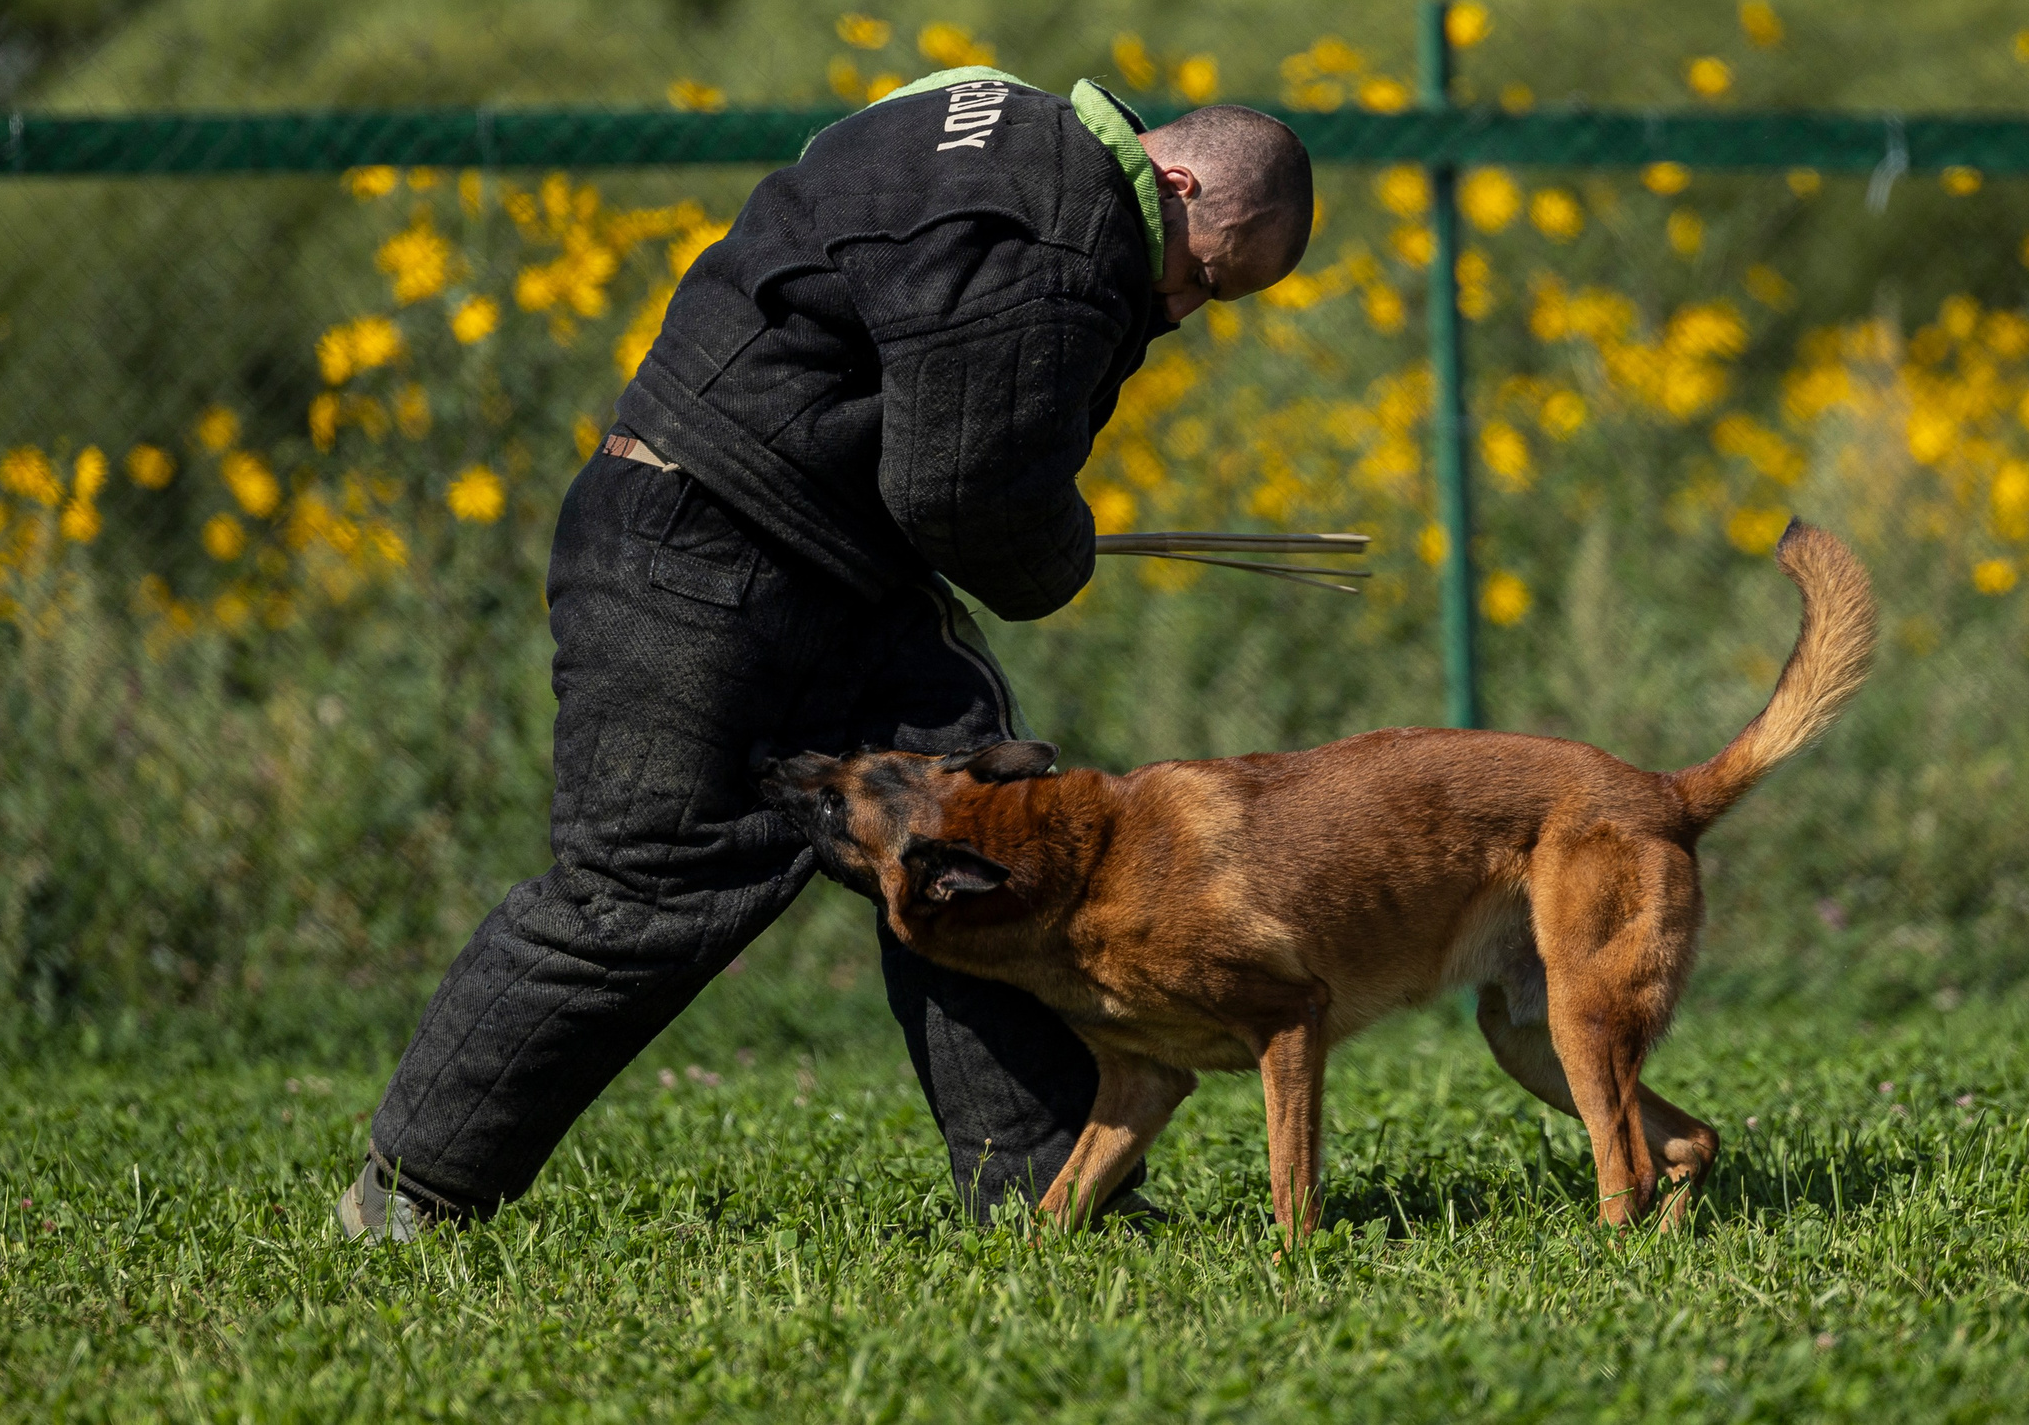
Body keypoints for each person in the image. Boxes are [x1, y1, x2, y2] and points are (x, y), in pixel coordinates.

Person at [338, 66, 1314, 1239]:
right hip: (702, 546)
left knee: (970, 831)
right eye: (1207, 270)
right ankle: (411, 1197)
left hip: (811, 551)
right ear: (1176, 179)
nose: (1184, 305)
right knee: (645, 880)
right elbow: (961, 494)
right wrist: (1058, 552)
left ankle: (1053, 1199)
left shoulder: (995, 110)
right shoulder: (1064, 242)